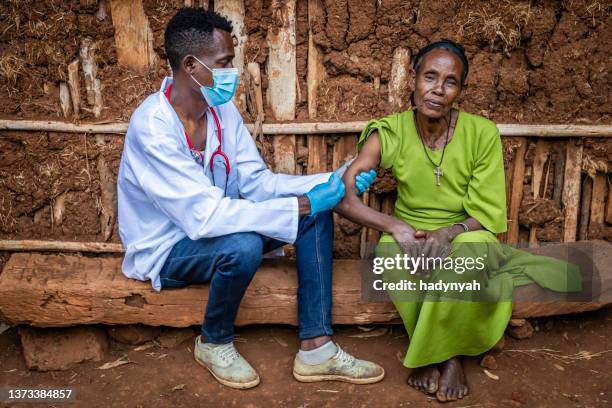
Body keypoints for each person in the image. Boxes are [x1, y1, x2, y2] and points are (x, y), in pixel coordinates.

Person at [117, 8, 384, 389]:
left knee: (312, 215)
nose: (232, 72)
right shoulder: (152, 126)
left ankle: (316, 347)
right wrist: (305, 202)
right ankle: (214, 341)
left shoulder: (220, 110)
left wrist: (332, 179)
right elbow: (203, 218)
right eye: (223, 63)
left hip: (215, 229)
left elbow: (258, 183)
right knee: (242, 246)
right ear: (191, 65)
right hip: (168, 248)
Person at [336, 39, 581, 402]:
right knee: (390, 258)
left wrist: (450, 232)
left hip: (467, 231)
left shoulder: (481, 134)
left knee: (464, 261)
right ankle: (445, 350)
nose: (437, 89)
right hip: (410, 231)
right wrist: (396, 227)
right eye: (429, 77)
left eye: (450, 82)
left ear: (460, 91)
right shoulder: (389, 131)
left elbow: (486, 214)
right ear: (412, 80)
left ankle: (443, 357)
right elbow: (344, 194)